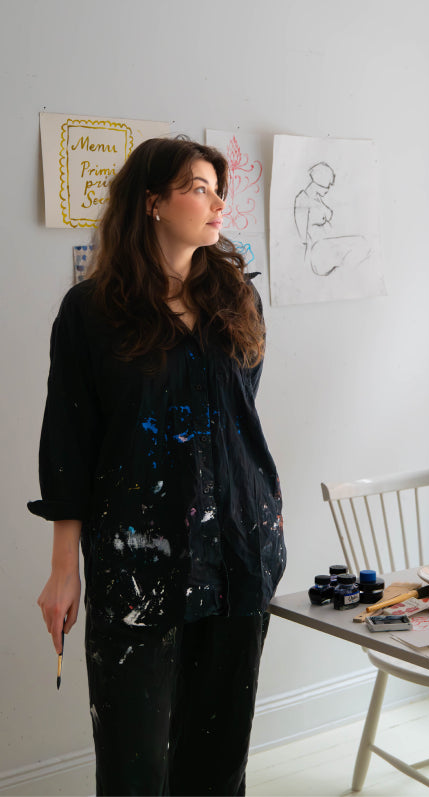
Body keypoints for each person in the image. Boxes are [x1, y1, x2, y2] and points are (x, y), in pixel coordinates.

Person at [28, 136, 286, 796]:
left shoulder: (237, 299)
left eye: (219, 190)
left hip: (239, 553)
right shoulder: (91, 313)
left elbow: (239, 424)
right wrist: (63, 570)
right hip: (138, 562)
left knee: (218, 763)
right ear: (151, 203)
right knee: (134, 767)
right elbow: (69, 443)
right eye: (199, 188)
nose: (217, 203)